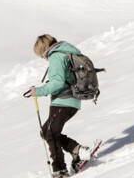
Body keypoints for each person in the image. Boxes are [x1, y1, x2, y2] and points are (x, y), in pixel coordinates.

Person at [24, 34, 87, 178]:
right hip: (71, 101)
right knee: (45, 131)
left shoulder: (56, 57)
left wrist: (38, 91)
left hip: (63, 102)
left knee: (51, 134)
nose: (42, 57)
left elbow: (57, 83)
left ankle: (60, 171)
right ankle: (77, 150)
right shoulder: (64, 52)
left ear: (44, 49)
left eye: (40, 53)